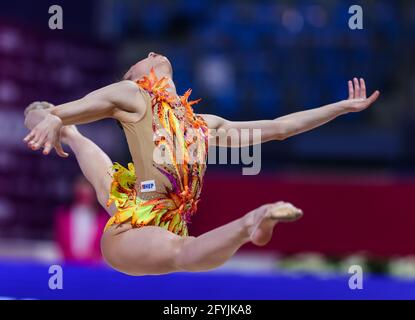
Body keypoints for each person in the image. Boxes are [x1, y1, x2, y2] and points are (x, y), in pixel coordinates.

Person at [23, 52, 379, 275]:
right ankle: (250, 223)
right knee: (181, 251)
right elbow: (79, 105)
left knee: (109, 186)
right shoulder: (133, 95)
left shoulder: (204, 124)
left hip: (164, 222)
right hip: (133, 233)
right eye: (139, 61)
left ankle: (70, 134)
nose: (151, 53)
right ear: (132, 78)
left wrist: (339, 108)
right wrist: (54, 116)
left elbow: (280, 128)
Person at [54, 176, 107, 263]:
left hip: (94, 268)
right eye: (82, 194)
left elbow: (102, 247)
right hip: (69, 265)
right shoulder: (63, 217)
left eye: (88, 195)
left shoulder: (103, 220)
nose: (85, 198)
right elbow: (61, 244)